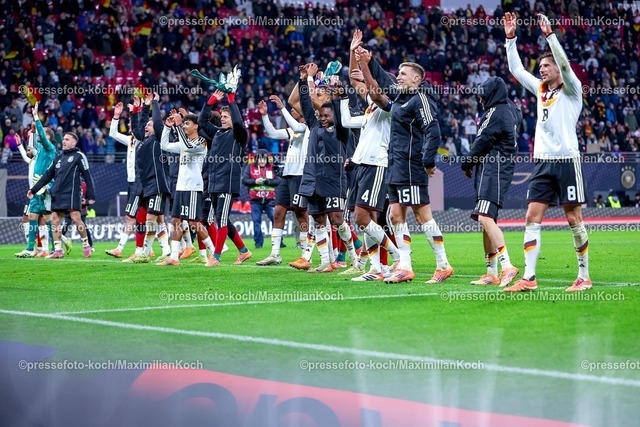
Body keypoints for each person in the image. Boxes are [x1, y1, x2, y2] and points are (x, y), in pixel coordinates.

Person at [504, 12, 591, 292]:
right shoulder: (541, 89)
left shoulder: (572, 90)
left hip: (567, 161)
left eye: (546, 66)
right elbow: (517, 71)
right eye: (540, 66)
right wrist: (510, 39)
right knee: (532, 217)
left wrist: (551, 36)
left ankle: (584, 276)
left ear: (557, 68)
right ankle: (529, 278)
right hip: (542, 162)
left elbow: (565, 64)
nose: (541, 70)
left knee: (573, 219)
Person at [369, 59, 454, 284]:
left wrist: (428, 160)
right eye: (398, 73)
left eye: (403, 74)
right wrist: (369, 61)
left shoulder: (420, 99)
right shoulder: (401, 99)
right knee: (395, 216)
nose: (398, 77)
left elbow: (433, 130)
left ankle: (443, 264)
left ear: (416, 79)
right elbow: (385, 81)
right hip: (396, 167)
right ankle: (405, 266)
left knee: (422, 216)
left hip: (411, 167)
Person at [338, 38, 401, 282]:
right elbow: (355, 81)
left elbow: (373, 91)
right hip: (363, 164)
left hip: (377, 163)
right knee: (368, 220)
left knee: (361, 218)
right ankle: (376, 269)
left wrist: (365, 65)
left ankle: (397, 257)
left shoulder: (390, 106)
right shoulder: (371, 107)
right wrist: (353, 51)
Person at [297, 63, 358, 273]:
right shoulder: (314, 125)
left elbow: (339, 111)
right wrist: (303, 81)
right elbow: (306, 104)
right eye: (321, 116)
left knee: (337, 220)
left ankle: (355, 258)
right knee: (318, 221)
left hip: (334, 180)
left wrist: (337, 93)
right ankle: (325, 262)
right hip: (312, 180)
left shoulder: (342, 130)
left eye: (326, 116)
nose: (323, 119)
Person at [461, 76, 521, 287]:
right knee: (485, 219)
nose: (481, 99)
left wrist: (466, 163)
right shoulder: (513, 110)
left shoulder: (496, 112)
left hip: (493, 169)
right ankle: (491, 272)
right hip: (498, 168)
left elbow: (482, 141)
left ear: (492, 94)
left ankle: (507, 266)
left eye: (483, 95)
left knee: (485, 218)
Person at [255, 95, 311, 267]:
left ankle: (305, 254)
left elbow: (297, 126)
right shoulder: (293, 130)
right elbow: (272, 133)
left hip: (300, 175)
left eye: (295, 108)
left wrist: (281, 107)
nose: (292, 109)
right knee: (279, 212)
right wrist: (265, 116)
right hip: (287, 176)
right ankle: (275, 254)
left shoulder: (307, 126)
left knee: (300, 213)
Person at [200, 89, 252, 265]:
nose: (222, 119)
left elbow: (238, 123)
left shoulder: (238, 135)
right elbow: (202, 121)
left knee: (221, 220)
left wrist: (231, 100)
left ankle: (215, 257)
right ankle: (244, 251)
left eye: (226, 117)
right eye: (221, 116)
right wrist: (212, 100)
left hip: (227, 184)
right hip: (214, 183)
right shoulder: (217, 133)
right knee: (222, 220)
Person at [158, 112, 217, 266]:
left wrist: (178, 126)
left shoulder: (201, 142)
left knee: (193, 222)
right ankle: (174, 257)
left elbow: (188, 147)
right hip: (180, 187)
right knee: (176, 221)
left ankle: (214, 254)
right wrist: (167, 127)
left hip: (193, 187)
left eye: (187, 124)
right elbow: (164, 145)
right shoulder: (184, 143)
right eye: (183, 124)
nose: (184, 126)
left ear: (196, 126)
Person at [28, 132, 95, 258]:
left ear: (74, 142)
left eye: (67, 139)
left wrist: (91, 196)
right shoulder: (58, 158)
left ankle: (86, 246)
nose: (64, 141)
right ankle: (58, 250)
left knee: (76, 219)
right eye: (63, 139)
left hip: (72, 193)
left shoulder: (79, 156)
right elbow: (47, 176)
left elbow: (87, 176)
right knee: (55, 220)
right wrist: (34, 189)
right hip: (57, 194)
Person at [129, 92, 172, 263]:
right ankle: (167, 251)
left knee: (150, 218)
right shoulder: (145, 140)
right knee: (158, 219)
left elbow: (158, 122)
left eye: (149, 124)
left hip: (157, 184)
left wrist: (154, 103)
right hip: (148, 185)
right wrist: (140, 109)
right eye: (146, 124)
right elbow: (137, 129)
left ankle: (145, 253)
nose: (146, 126)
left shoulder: (160, 139)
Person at [15, 102, 58, 258]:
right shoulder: (39, 151)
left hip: (46, 189)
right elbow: (30, 148)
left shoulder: (50, 149)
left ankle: (54, 248)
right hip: (35, 189)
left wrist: (36, 118)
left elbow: (41, 138)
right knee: (32, 217)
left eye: (43, 134)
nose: (40, 135)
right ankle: (30, 248)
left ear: (48, 137)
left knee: (47, 219)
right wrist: (30, 134)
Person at [105, 102, 140, 259]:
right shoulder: (131, 139)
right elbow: (113, 133)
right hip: (132, 182)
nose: (130, 125)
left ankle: (121, 248)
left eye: (133, 123)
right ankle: (158, 248)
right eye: (130, 123)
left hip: (140, 183)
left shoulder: (143, 140)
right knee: (145, 217)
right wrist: (116, 116)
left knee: (135, 217)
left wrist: (136, 111)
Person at [243, 149, 279, 249]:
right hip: (255, 200)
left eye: (264, 159)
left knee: (275, 219)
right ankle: (258, 244)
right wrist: (255, 181)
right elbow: (244, 180)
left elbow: (278, 180)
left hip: (270, 200)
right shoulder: (250, 167)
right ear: (256, 159)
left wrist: (268, 182)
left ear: (267, 159)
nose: (262, 161)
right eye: (260, 159)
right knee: (256, 222)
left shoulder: (272, 167)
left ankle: (278, 242)